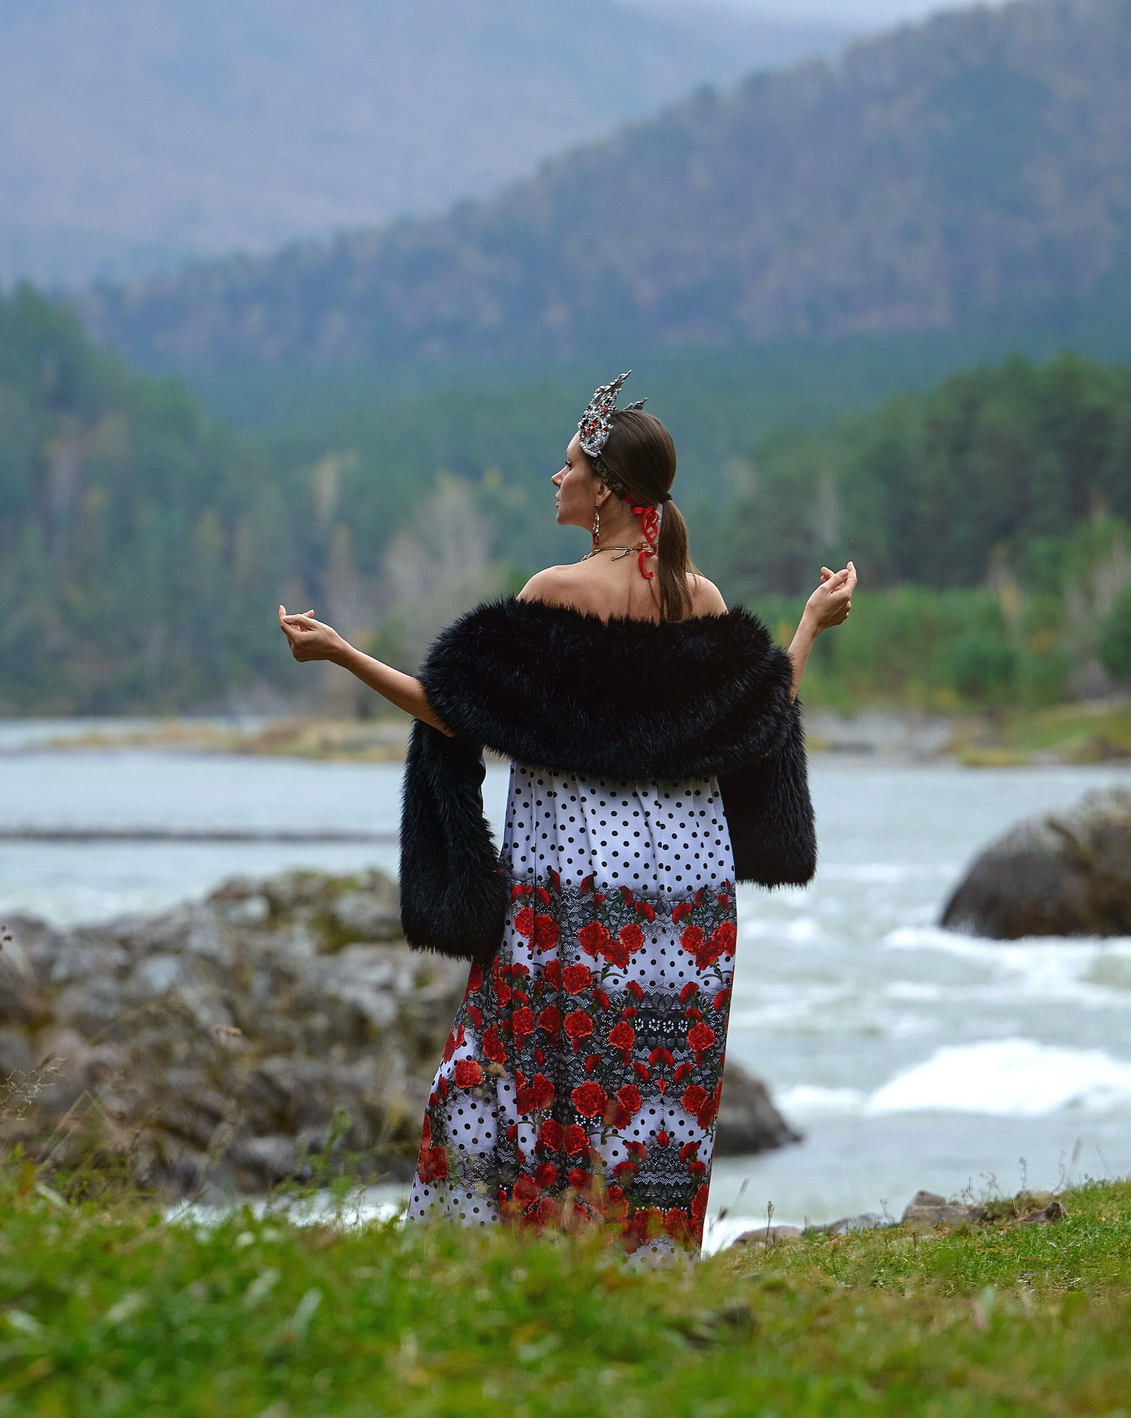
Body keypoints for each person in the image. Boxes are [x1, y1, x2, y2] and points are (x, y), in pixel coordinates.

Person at [278, 376, 855, 1257]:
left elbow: (450, 710)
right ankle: (644, 1267)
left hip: (576, 881)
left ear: (608, 494)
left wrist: (341, 654)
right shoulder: (696, 598)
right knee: (656, 1086)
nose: (557, 478)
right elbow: (762, 722)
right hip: (688, 898)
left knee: (528, 1064)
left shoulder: (555, 590)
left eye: (570, 464)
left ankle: (517, 1257)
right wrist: (809, 625)